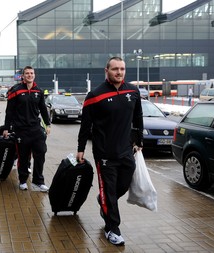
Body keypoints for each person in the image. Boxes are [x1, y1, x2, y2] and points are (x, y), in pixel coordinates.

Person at [76, 56, 143, 246]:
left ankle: (103, 200)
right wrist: (80, 149)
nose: (119, 72)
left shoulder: (133, 91)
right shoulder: (94, 96)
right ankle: (112, 229)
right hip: (104, 153)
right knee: (110, 191)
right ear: (107, 71)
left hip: (126, 151)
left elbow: (137, 116)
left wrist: (139, 140)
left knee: (121, 187)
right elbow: (85, 126)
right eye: (115, 69)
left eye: (122, 69)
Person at [2, 66, 51, 192]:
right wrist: (6, 128)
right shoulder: (15, 90)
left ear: (34, 75)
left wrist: (48, 124)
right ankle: (23, 180)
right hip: (21, 130)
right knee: (23, 157)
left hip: (36, 129)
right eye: (27, 73)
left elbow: (43, 110)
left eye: (32, 73)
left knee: (40, 153)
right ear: (23, 76)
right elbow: (9, 111)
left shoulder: (38, 91)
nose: (30, 75)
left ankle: (38, 182)